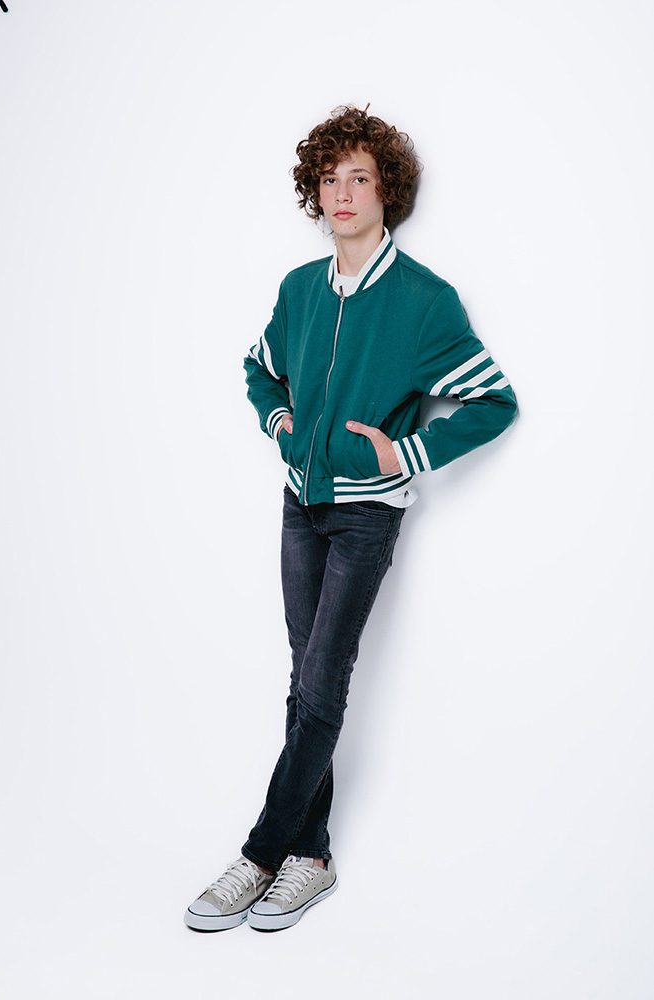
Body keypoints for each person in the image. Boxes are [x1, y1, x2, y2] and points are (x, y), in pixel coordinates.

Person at [184, 103, 518, 933]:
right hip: (300, 503)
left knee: (321, 679)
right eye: (329, 178)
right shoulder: (299, 289)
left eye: (358, 178)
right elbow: (259, 369)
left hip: (366, 516)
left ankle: (261, 852)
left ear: (385, 191)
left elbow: (494, 401)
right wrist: (280, 422)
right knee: (305, 679)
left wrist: (406, 453)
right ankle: (313, 855)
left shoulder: (422, 300)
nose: (341, 193)